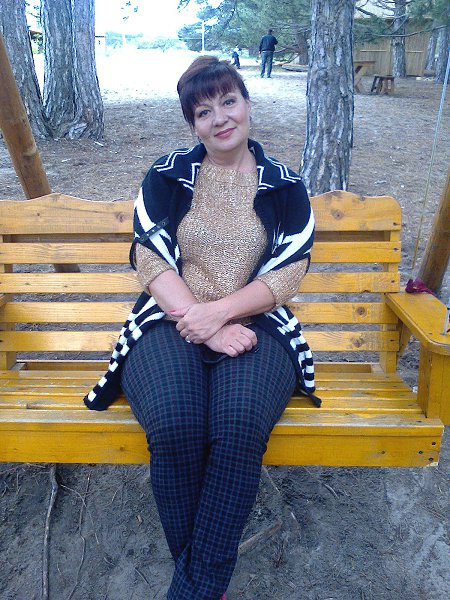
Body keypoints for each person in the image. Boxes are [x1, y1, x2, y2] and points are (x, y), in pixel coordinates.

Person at [84, 56, 319, 600]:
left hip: (260, 326)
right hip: (167, 321)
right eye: (203, 111)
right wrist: (205, 323)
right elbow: (149, 256)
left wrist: (222, 313)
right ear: (193, 124)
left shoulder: (285, 186)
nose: (220, 118)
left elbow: (289, 271)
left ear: (247, 103)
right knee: (175, 425)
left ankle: (193, 588)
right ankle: (204, 584)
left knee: (238, 428)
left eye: (228, 102)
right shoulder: (167, 175)